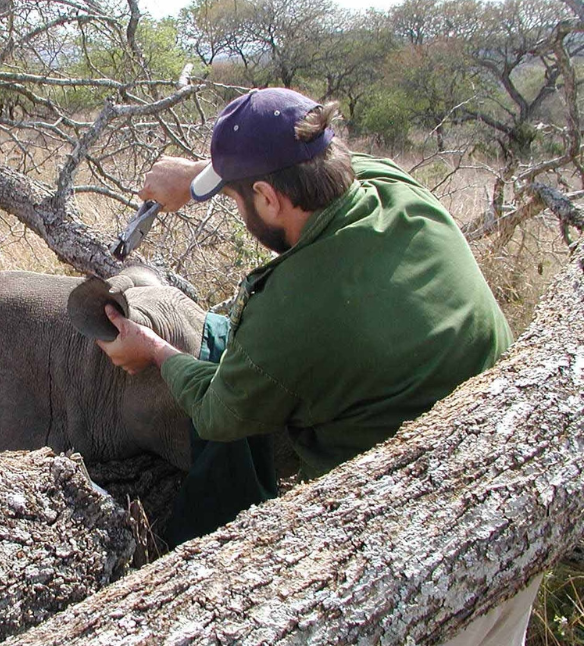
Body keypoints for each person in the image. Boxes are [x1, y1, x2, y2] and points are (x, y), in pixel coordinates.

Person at [95, 88, 512, 547]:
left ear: (268, 198)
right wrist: (198, 178)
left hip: (414, 536)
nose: (238, 209)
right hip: (508, 477)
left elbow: (217, 413)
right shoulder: (392, 184)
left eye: (236, 199)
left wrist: (153, 348)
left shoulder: (287, 310)